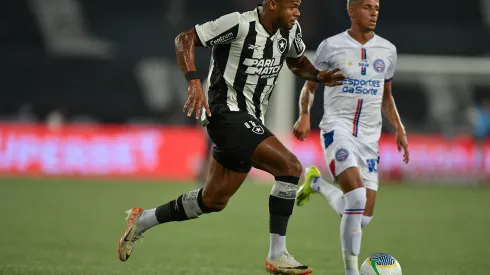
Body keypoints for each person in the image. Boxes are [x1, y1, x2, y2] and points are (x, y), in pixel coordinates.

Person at [116, 0, 345, 274]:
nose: (298, 12)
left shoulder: (290, 31)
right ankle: (278, 254)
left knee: (212, 200)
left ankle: (141, 220)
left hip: (250, 119)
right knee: (291, 168)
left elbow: (296, 62)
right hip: (225, 112)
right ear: (273, 4)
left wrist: (318, 75)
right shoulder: (238, 23)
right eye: (292, 6)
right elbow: (184, 39)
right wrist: (192, 82)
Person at [292, 0, 409, 275]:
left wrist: (400, 128)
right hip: (337, 128)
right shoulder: (330, 46)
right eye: (367, 7)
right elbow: (310, 86)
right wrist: (304, 114)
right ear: (351, 10)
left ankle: (317, 183)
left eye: (377, 7)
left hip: (369, 137)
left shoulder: (388, 51)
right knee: (355, 199)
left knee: (363, 217)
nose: (374, 12)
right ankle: (351, 272)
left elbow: (387, 96)